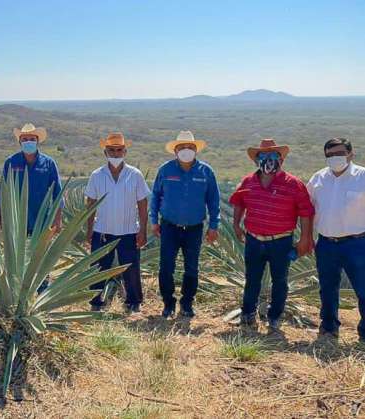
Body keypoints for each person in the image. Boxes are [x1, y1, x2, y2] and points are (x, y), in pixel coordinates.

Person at [229, 139, 314, 329]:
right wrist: (236, 224)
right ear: (256, 160)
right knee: (252, 279)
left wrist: (305, 238)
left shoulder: (294, 184)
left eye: (274, 156)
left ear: (281, 159)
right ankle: (248, 314)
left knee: (280, 280)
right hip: (254, 238)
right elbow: (239, 201)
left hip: (281, 241)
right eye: (263, 156)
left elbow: (306, 212)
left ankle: (274, 317)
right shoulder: (248, 181)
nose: (269, 160)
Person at [150, 130, 220, 318]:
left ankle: (187, 303)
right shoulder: (165, 170)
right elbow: (155, 195)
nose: (186, 150)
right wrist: (154, 221)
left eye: (190, 147)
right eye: (182, 147)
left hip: (194, 228)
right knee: (166, 266)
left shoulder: (206, 172)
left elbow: (214, 201)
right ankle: (168, 303)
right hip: (169, 226)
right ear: (175, 150)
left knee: (192, 267)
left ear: (196, 150)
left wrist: (214, 225)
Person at [307, 137, 365, 343]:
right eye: (330, 155)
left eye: (339, 153)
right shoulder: (318, 179)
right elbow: (307, 209)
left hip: (357, 243)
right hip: (326, 243)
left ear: (350, 154)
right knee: (327, 288)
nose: (335, 158)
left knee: (363, 288)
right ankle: (329, 327)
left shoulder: (362, 177)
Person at [85, 133, 150, 313]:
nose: (115, 154)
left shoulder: (135, 175)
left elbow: (143, 203)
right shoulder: (96, 175)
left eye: (119, 150)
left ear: (125, 152)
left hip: (129, 231)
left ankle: (133, 302)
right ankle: (95, 302)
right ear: (105, 152)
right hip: (102, 231)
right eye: (111, 150)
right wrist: (89, 229)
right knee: (98, 268)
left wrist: (142, 230)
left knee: (131, 268)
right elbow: (90, 204)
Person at [0, 123, 62, 292]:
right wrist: (2, 221)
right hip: (16, 219)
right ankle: (17, 288)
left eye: (32, 139)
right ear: (20, 141)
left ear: (37, 141)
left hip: (42, 219)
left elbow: (57, 193)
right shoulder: (11, 163)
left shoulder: (48, 163)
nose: (28, 142)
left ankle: (41, 287)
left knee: (41, 254)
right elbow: (2, 195)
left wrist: (57, 219)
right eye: (25, 139)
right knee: (17, 254)